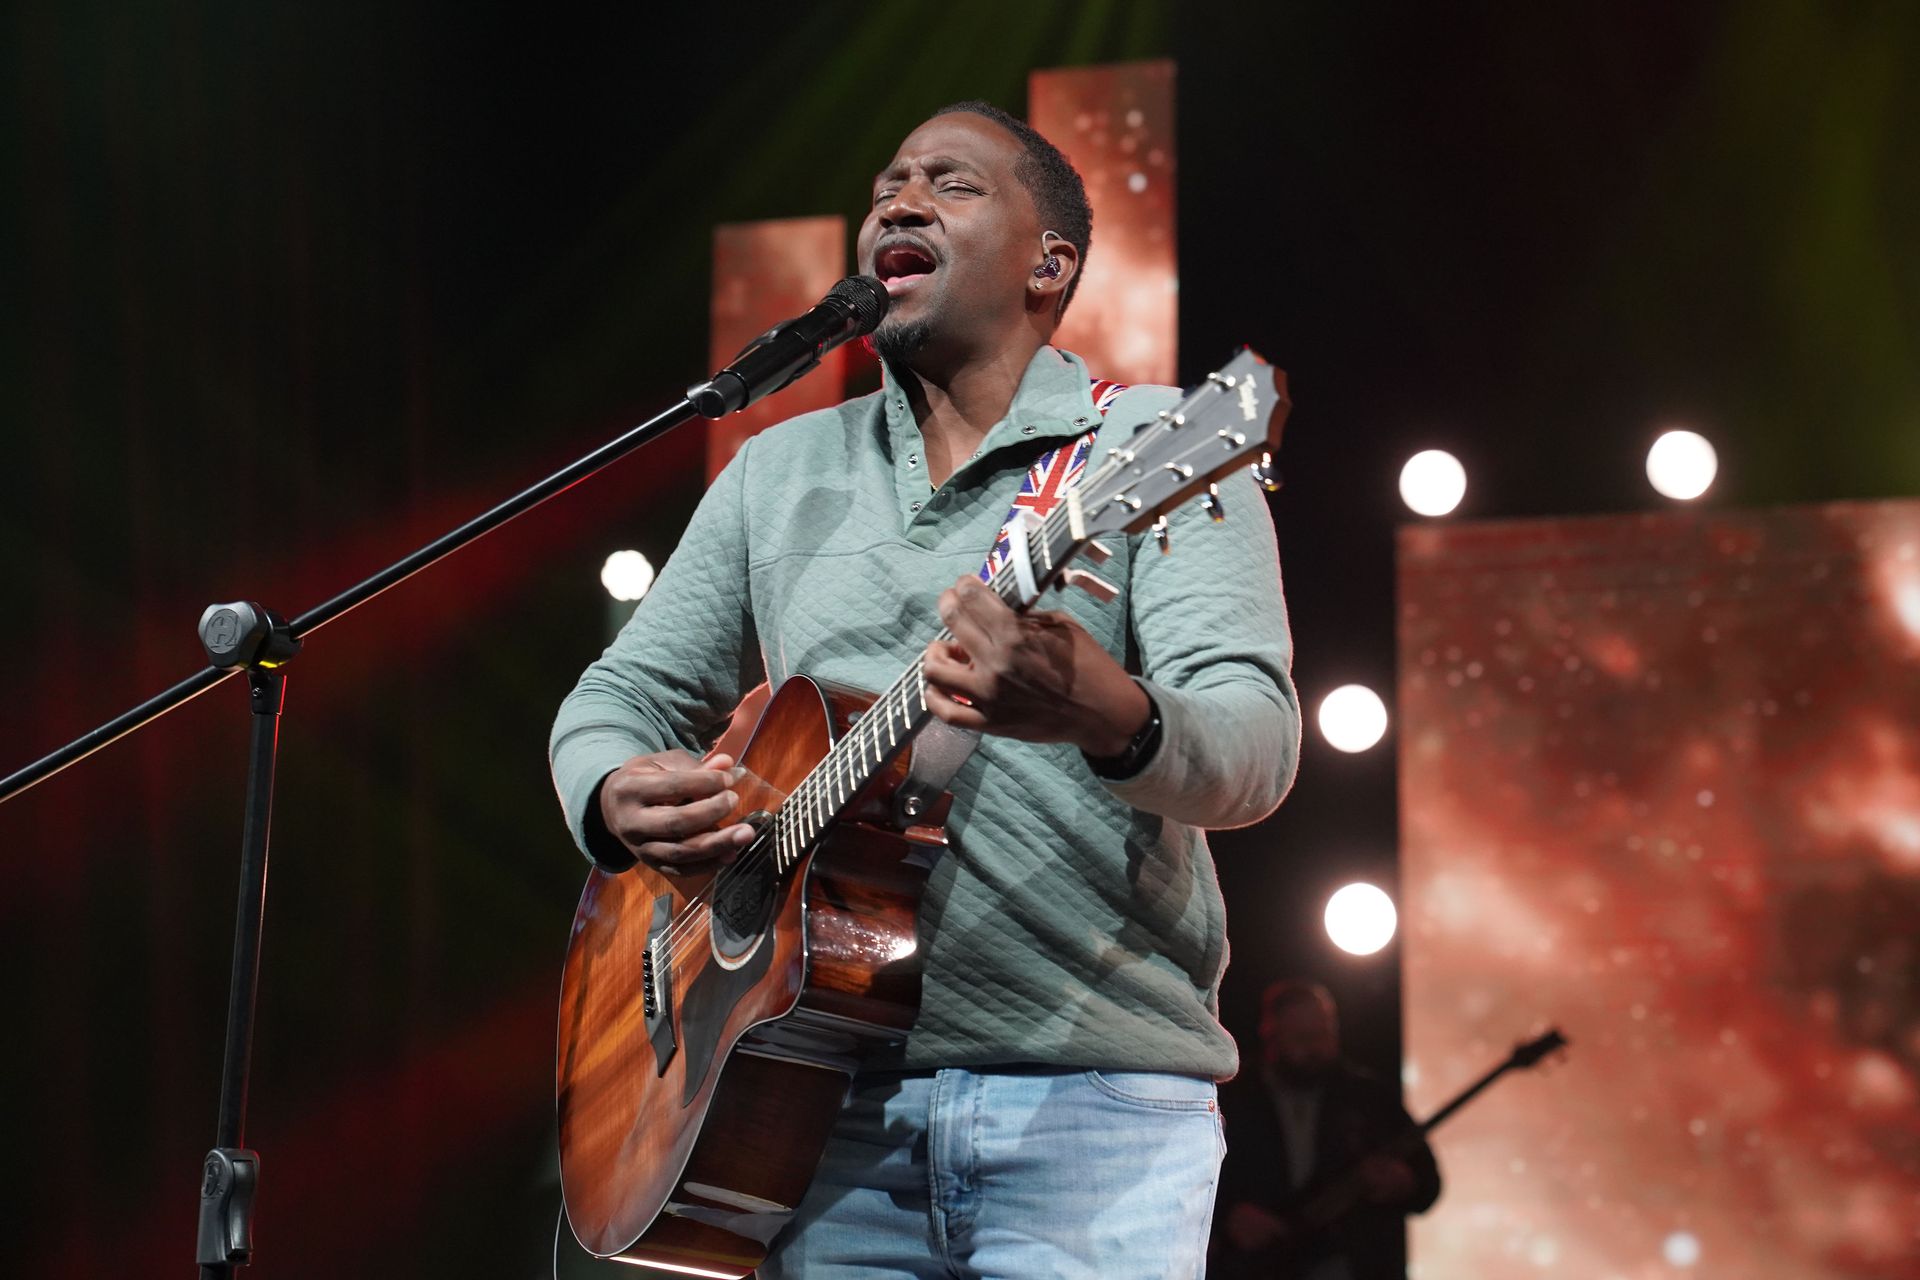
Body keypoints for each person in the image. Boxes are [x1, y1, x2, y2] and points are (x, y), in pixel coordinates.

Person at [549, 99, 1299, 1278]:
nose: (898, 202)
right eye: (889, 185)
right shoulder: (776, 470)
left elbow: (1256, 747)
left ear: (1049, 263)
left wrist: (1107, 711)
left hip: (1092, 1113)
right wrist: (611, 790)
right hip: (811, 1109)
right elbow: (619, 694)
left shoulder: (1149, 444)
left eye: (952, 184)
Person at [1213, 981, 1442, 1280]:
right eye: (1302, 1038)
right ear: (1270, 1033)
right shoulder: (1234, 1099)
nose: (1316, 1049)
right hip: (1254, 1267)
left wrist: (1403, 1182)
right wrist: (1227, 1218)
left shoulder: (1370, 1098)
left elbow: (1428, 1183)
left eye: (1323, 1035)